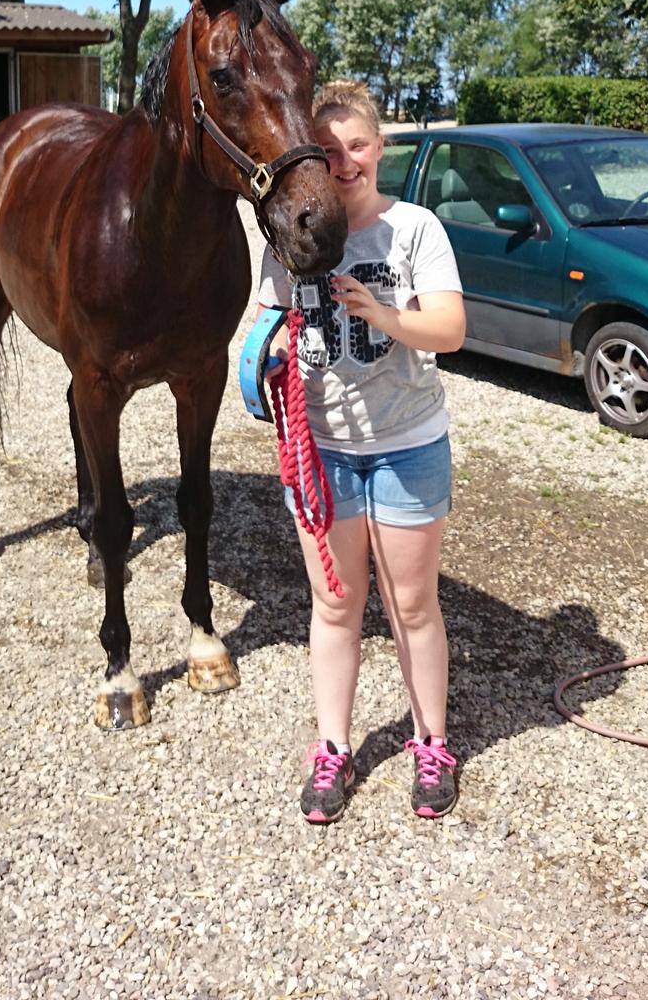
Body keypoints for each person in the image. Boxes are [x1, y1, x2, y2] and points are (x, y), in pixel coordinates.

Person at [257, 80, 465, 824]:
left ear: (379, 149)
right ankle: (333, 749)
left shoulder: (415, 229)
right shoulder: (292, 235)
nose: (344, 162)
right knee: (335, 606)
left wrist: (384, 313)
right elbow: (264, 330)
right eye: (330, 147)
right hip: (325, 455)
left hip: (407, 445)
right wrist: (266, 354)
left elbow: (449, 331)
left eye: (357, 146)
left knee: (412, 605)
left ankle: (431, 742)